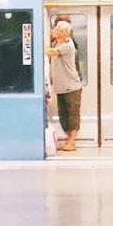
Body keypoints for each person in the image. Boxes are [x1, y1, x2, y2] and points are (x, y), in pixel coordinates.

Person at [47, 17, 84, 152]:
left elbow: (50, 52)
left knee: (73, 116)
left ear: (63, 32)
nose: (53, 31)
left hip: (71, 87)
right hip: (61, 88)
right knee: (64, 116)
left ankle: (72, 142)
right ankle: (68, 141)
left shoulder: (67, 45)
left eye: (56, 29)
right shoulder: (57, 42)